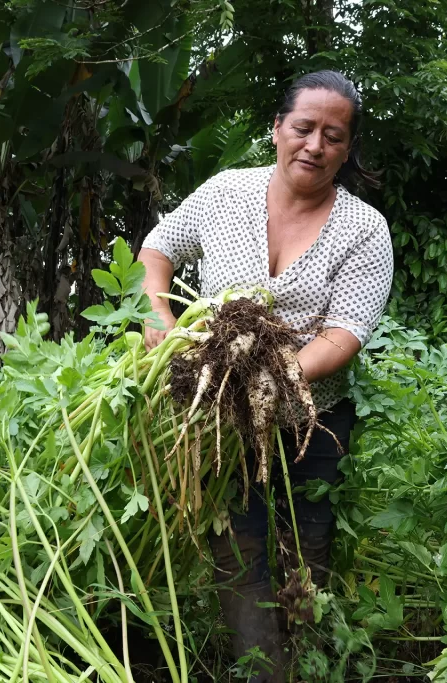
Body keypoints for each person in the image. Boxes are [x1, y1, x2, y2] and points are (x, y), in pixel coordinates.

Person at [138, 70, 394, 682]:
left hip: (314, 421)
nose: (315, 145)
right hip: (222, 418)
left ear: (347, 149)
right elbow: (157, 249)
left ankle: (308, 661)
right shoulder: (226, 191)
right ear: (277, 129)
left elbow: (343, 336)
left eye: (334, 136)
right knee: (240, 546)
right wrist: (159, 315)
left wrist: (268, 379)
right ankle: (263, 673)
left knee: (306, 549)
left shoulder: (364, 229)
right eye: (304, 128)